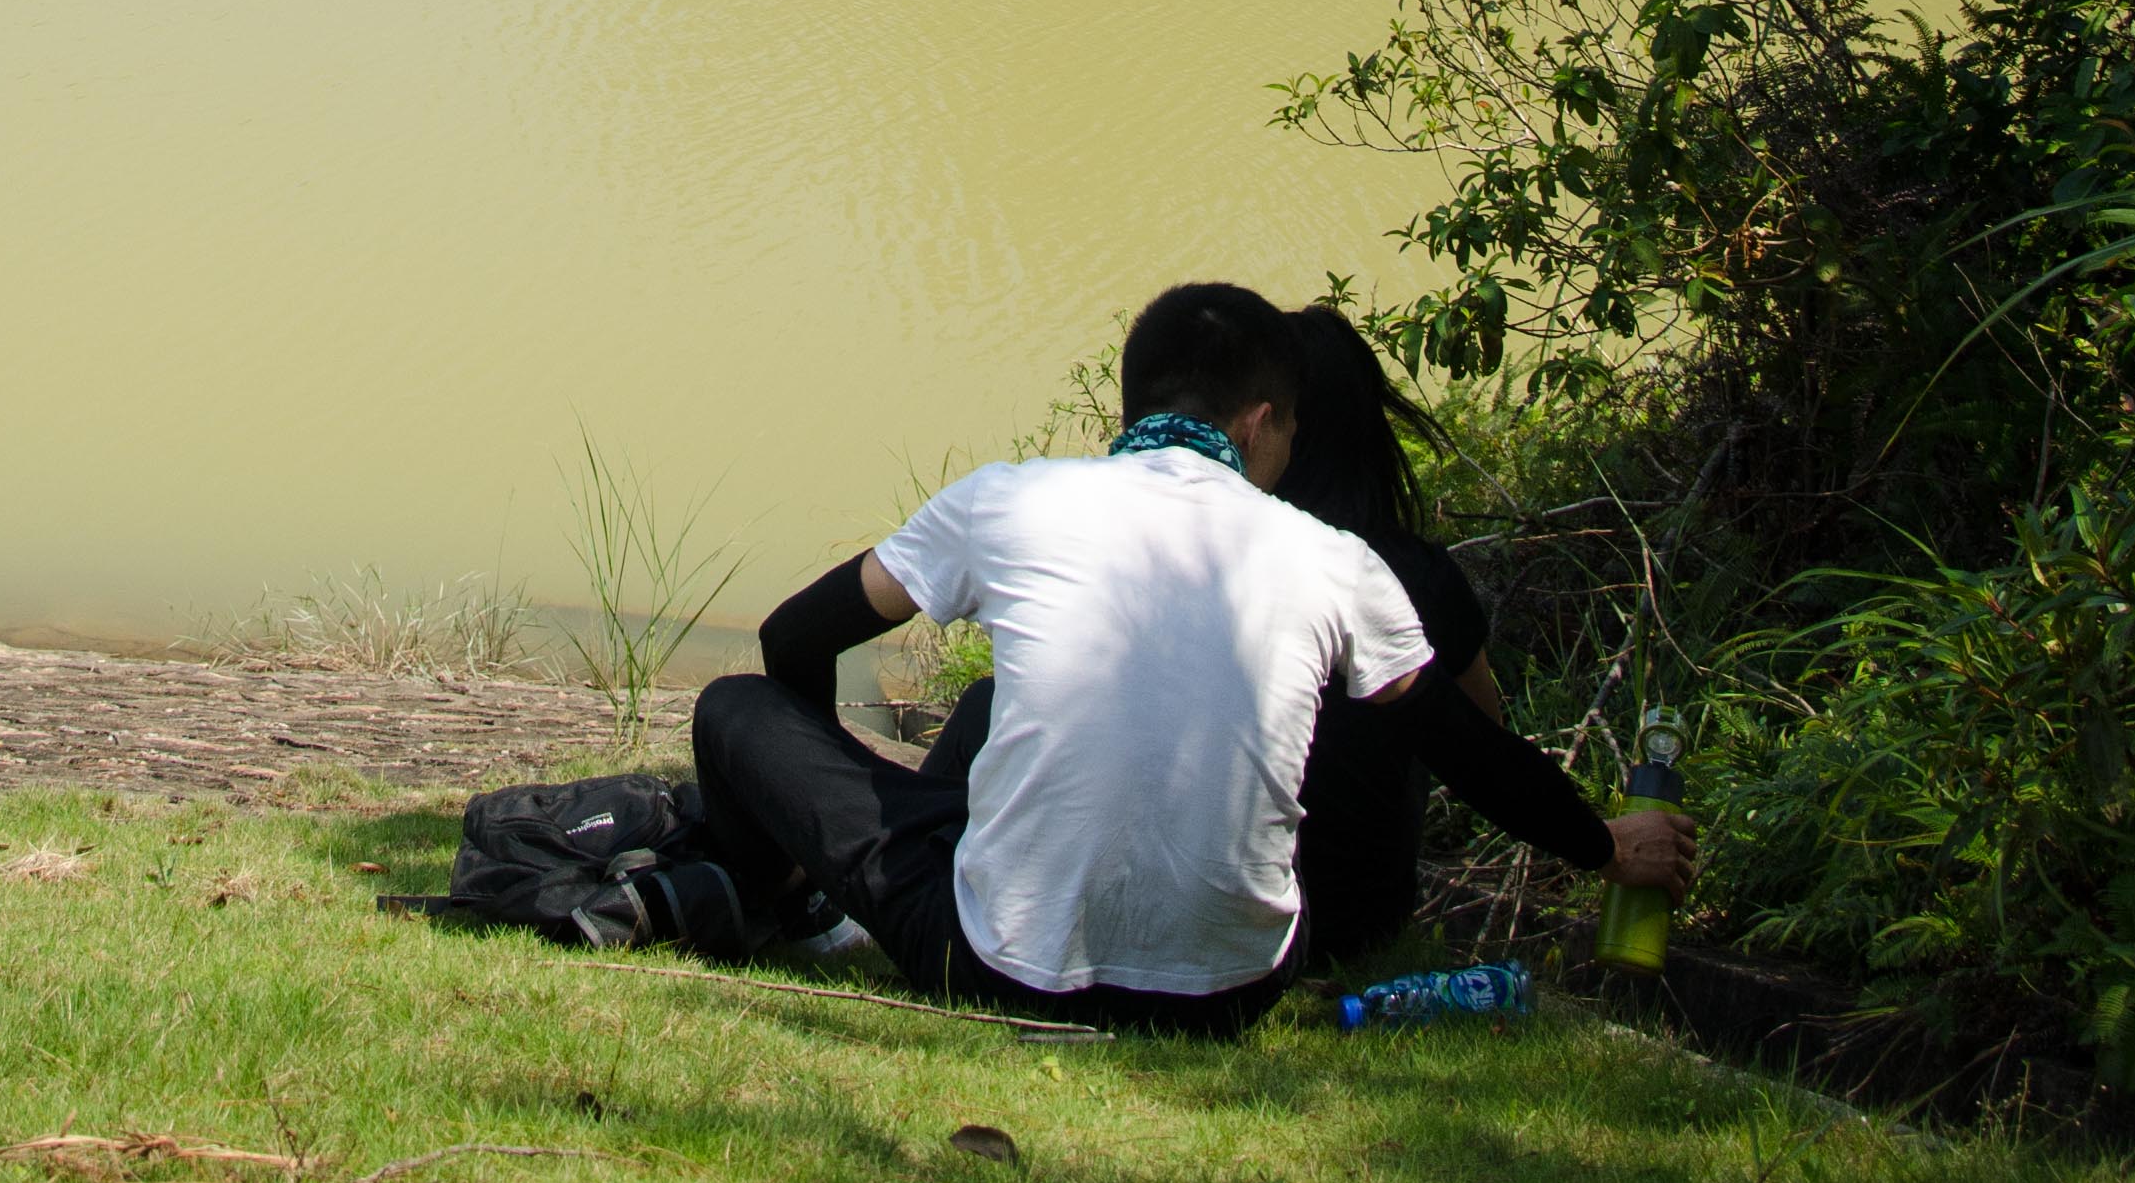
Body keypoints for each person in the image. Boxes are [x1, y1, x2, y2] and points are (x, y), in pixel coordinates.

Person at [688, 279, 1434, 1032]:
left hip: (1002, 971)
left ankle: (800, 914)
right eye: (1291, 432)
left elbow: (793, 635)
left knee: (733, 706)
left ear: (1132, 406)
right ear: (1257, 425)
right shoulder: (1336, 560)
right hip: (1233, 992)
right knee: (983, 706)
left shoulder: (1007, 501)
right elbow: (1422, 718)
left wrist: (825, 824)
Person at [1278, 300, 1696, 965]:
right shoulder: (1417, 576)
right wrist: (1604, 843)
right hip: (1357, 925)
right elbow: (1479, 737)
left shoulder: (1210, 568)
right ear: (1368, 430)